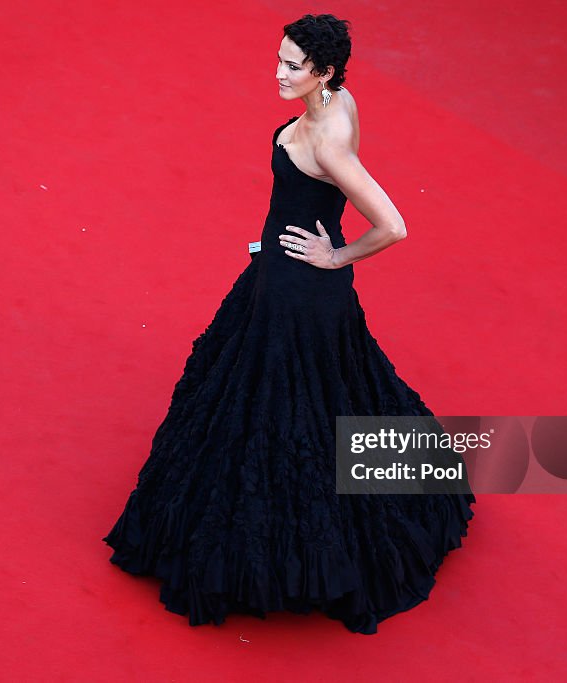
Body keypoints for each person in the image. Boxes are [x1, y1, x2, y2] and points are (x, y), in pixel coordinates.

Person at [103, 14, 474, 634]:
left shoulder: (327, 138)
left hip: (294, 296)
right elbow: (313, 195)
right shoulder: (342, 101)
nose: (277, 73)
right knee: (327, 402)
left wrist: (335, 255)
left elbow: (393, 224)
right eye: (277, 58)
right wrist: (279, 238)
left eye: (291, 65)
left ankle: (283, 555)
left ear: (323, 71)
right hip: (290, 275)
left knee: (274, 416)